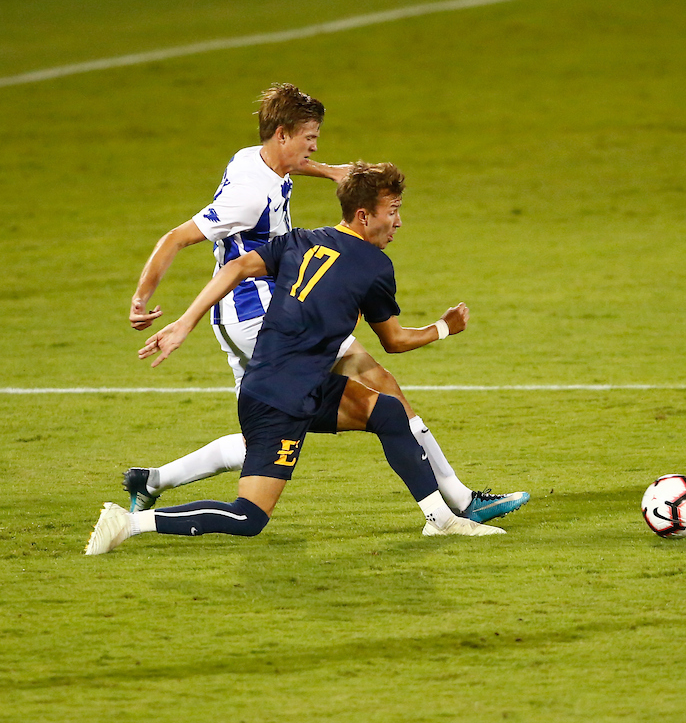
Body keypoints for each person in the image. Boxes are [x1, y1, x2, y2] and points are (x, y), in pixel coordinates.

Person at [125, 83, 525, 524]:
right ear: (282, 135)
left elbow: (290, 169)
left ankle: (151, 481)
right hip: (258, 317)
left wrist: (332, 172)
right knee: (290, 422)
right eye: (309, 138)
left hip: (280, 303)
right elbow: (177, 239)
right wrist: (152, 305)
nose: (314, 147)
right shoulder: (248, 196)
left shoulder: (251, 158)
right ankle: (458, 504)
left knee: (296, 421)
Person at [87, 162, 503, 555]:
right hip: (280, 400)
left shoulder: (299, 240)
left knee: (389, 413)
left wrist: (185, 322)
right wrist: (445, 327)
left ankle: (441, 518)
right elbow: (393, 339)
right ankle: (128, 523)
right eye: (391, 212)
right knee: (248, 517)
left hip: (294, 384)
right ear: (363, 216)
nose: (398, 222)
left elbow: (233, 269)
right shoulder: (375, 265)